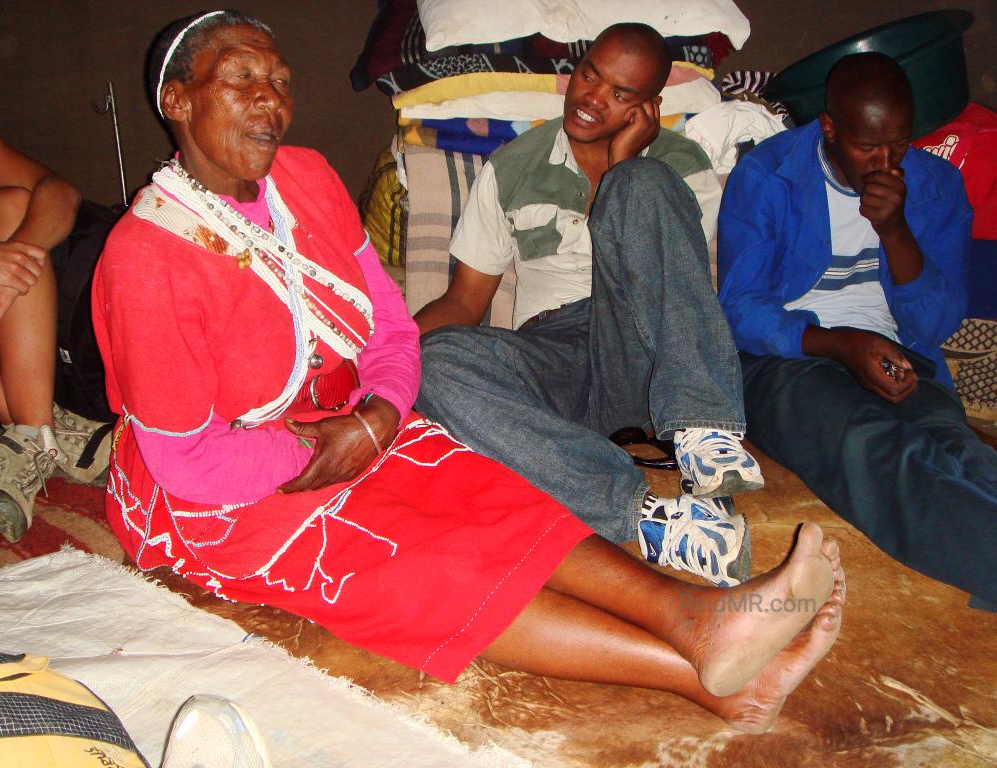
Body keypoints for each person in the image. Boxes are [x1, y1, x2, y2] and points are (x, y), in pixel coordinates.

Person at [93, 10, 845, 734]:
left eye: (282, 79)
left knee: (484, 494)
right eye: (241, 78)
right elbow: (189, 458)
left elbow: (386, 322)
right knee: (422, 558)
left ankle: (695, 608)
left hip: (356, 419)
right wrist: (342, 438)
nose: (271, 98)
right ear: (177, 100)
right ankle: (708, 674)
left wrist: (381, 413)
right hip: (225, 485)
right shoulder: (144, 258)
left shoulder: (308, 179)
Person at [413, 23, 762, 587]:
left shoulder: (682, 164)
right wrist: (390, 353)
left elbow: (680, 284)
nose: (592, 99)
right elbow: (463, 299)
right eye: (589, 75)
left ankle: (705, 431)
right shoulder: (513, 166)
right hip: (555, 356)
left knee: (642, 183)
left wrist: (625, 164)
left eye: (620, 94)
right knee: (434, 362)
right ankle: (657, 522)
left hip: (648, 351)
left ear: (649, 106)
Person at [717, 52, 997, 608]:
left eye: (899, 144)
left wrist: (894, 231)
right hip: (791, 357)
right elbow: (740, 308)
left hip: (900, 354)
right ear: (828, 128)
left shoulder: (935, 185)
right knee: (868, 444)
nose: (886, 163)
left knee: (957, 449)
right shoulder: (768, 176)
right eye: (868, 147)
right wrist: (839, 345)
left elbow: (938, 322)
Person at [0, 116, 110, 543]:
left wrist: (19, 253)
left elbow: (59, 191)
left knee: (7, 205)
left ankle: (36, 432)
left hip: (32, 340)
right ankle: (51, 434)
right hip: (19, 366)